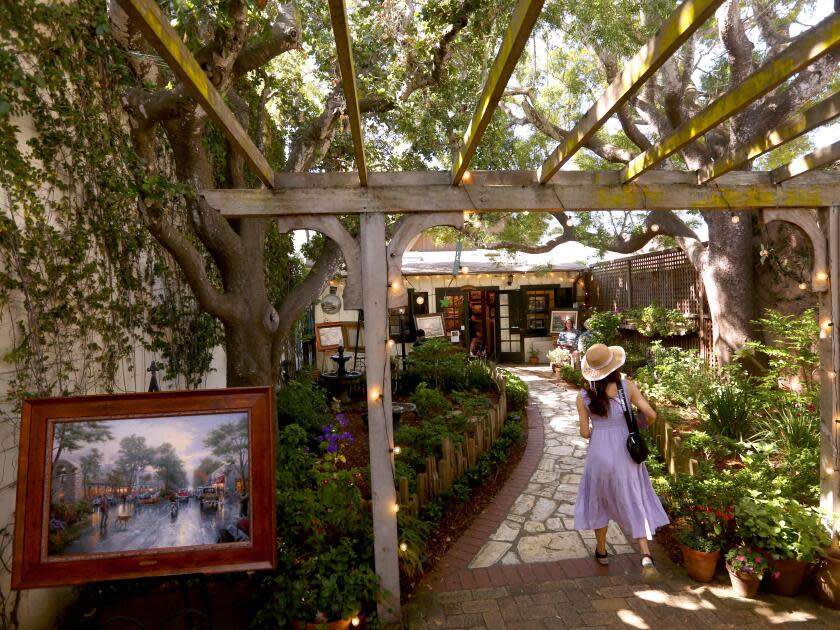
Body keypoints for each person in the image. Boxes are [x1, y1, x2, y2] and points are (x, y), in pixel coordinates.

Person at [573, 343, 668, 578]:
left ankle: (602, 551)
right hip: (626, 452)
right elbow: (651, 415)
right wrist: (636, 427)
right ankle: (645, 555)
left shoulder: (583, 396)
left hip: (599, 454)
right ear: (614, 366)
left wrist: (600, 431)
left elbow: (585, 433)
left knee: (599, 500)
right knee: (633, 497)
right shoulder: (627, 388)